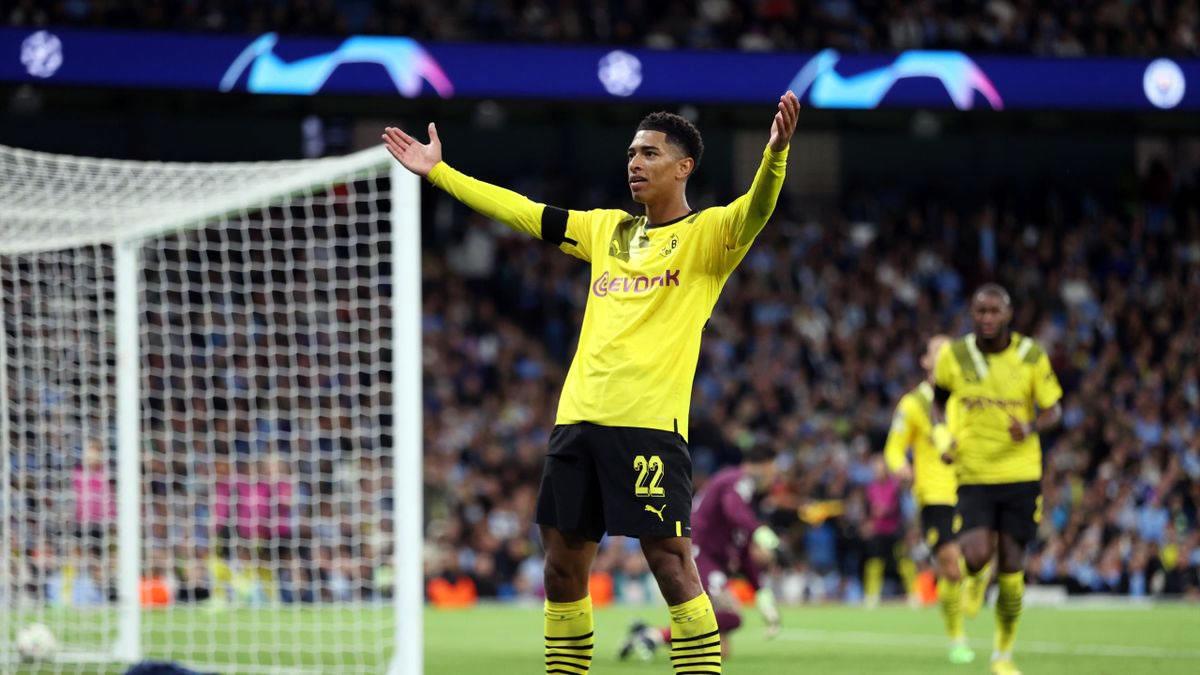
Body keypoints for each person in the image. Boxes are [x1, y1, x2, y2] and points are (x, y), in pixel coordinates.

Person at [384, 90, 800, 675]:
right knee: (561, 568)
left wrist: (775, 155)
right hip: (577, 421)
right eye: (631, 151)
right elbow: (525, 212)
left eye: (649, 153)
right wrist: (441, 173)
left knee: (672, 564)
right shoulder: (605, 230)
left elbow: (757, 208)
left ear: (683, 167)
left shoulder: (709, 237)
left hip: (649, 425)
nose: (634, 161)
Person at [933, 284, 1063, 675]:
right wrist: (942, 435)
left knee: (1011, 567)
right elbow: (938, 402)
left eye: (994, 312)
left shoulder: (1030, 355)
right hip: (973, 473)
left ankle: (1002, 655)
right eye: (980, 311)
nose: (987, 319)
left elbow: (1054, 410)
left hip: (1021, 475)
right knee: (975, 554)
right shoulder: (955, 356)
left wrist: (1031, 424)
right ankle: (974, 578)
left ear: (1008, 314)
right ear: (972, 315)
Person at [618, 446, 783, 662]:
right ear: (762, 465)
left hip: (708, 557)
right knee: (731, 617)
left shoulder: (743, 493)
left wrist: (761, 592)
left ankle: (648, 633)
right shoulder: (736, 481)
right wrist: (760, 532)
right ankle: (653, 635)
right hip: (701, 556)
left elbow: (741, 549)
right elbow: (734, 511)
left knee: (721, 651)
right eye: (772, 470)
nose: (774, 477)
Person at [884, 334, 977, 664]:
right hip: (935, 495)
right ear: (925, 361)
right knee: (951, 565)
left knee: (976, 561)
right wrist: (901, 467)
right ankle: (957, 638)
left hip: (972, 489)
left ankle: (973, 592)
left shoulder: (967, 399)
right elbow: (894, 448)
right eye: (936, 353)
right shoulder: (912, 404)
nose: (941, 359)